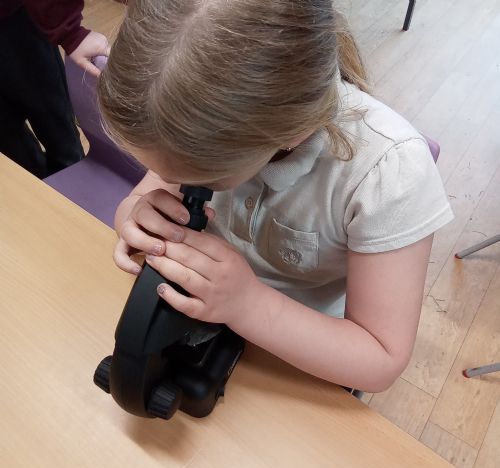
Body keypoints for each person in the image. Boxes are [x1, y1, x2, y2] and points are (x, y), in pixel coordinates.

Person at [98, 0, 454, 393]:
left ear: (291, 133)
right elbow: (149, 192)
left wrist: (246, 304)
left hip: (310, 353)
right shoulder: (190, 121)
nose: (171, 182)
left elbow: (380, 359)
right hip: (204, 320)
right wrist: (132, 215)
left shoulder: (388, 173)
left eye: (199, 177)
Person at [0, 0, 109, 178]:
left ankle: (72, 183)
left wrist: (71, 32)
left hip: (14, 22)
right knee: (14, 155)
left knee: (60, 136)